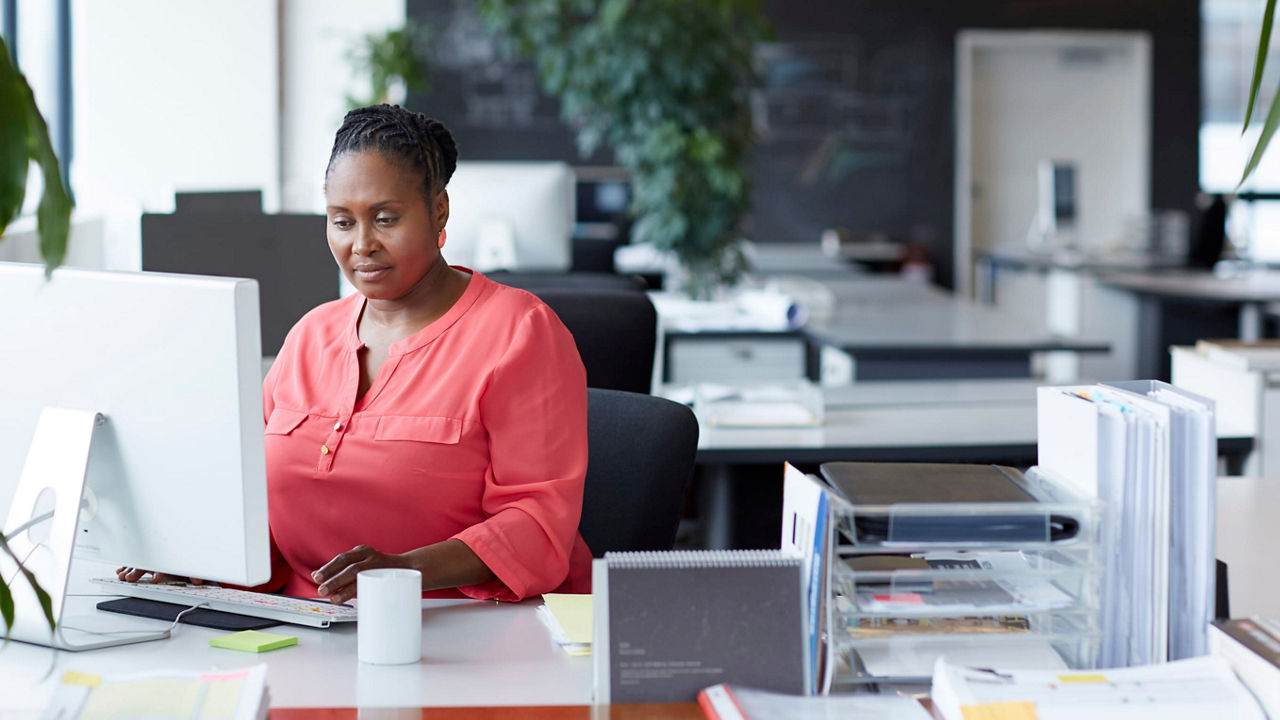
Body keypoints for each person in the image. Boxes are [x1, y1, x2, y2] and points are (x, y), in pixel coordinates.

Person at [120, 104, 593, 603]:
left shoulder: (520, 332)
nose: (362, 244)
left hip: (463, 628)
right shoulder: (310, 335)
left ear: (439, 210)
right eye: (342, 222)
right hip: (309, 624)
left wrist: (405, 571)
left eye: (385, 219)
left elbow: (537, 525)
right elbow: (254, 498)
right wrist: (195, 557)